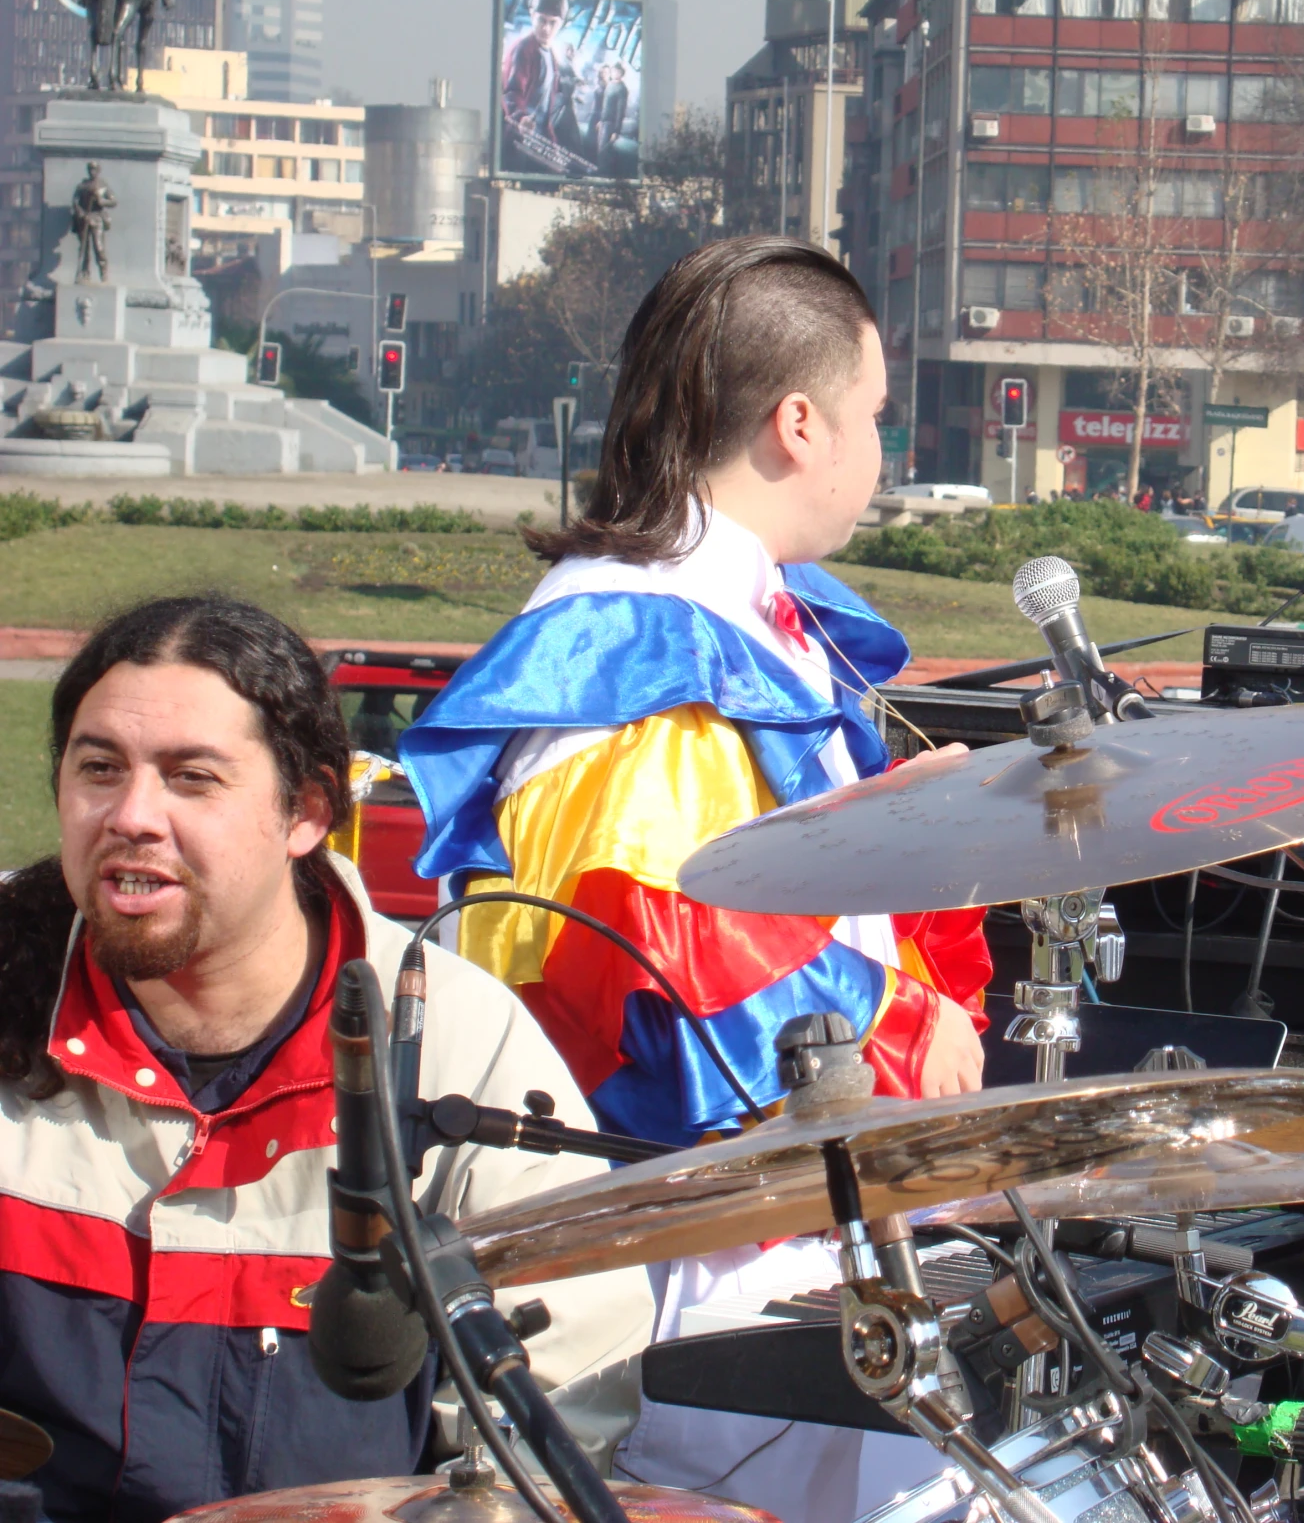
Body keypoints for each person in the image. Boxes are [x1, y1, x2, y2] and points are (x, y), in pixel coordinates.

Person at [398, 236, 987, 1521]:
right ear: (797, 424)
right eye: (872, 417)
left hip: (768, 1222)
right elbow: (654, 968)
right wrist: (902, 1020)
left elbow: (720, 880)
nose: (882, 453)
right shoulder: (642, 644)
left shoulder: (722, 618)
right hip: (694, 1261)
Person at [0, 596, 650, 1523]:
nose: (131, 815)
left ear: (305, 810)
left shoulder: (461, 1045)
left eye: (192, 778)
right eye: (99, 768)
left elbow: (558, 1420)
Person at [501, 0, 568, 139]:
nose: (546, 28)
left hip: (538, 136)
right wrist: (520, 118)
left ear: (561, 24)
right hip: (519, 135)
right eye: (542, 20)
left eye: (553, 23)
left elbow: (546, 105)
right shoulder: (523, 49)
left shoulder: (551, 55)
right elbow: (512, 92)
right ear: (532, 16)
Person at [70, 164, 113, 285]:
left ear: (98, 171)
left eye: (94, 170)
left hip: (97, 218)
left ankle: (103, 272)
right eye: (90, 169)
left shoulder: (102, 185)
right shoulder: (82, 186)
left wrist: (101, 201)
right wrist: (81, 213)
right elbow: (75, 202)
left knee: (99, 247)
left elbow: (113, 201)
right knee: (84, 248)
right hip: (84, 219)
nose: (92, 172)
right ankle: (85, 273)